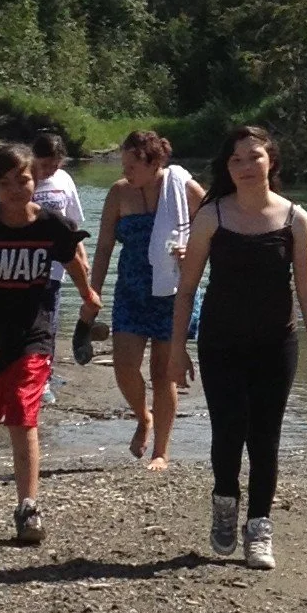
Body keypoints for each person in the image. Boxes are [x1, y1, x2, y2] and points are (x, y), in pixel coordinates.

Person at [171, 125, 307, 570]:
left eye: (254, 157)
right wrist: (176, 348)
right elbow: (186, 291)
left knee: (265, 439)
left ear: (271, 161)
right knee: (228, 433)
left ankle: (259, 526)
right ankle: (225, 505)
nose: (244, 166)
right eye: (236, 160)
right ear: (227, 167)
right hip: (221, 342)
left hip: (276, 344)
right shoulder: (211, 217)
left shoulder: (295, 219)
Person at [0, 144, 90, 546]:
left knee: (23, 416)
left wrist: (89, 295)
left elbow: (72, 255)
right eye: (4, 183)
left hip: (32, 333)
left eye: (22, 180)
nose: (15, 189)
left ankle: (28, 507)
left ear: (36, 179)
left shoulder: (51, 224)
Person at [86, 130, 205, 471]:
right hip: (131, 290)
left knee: (162, 374)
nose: (125, 173)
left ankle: (161, 452)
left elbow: (216, 230)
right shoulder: (119, 193)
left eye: (132, 166)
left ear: (155, 163)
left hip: (172, 293)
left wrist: (192, 250)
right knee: (124, 365)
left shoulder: (184, 189)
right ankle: (143, 416)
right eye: (123, 165)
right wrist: (92, 292)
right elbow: (105, 245)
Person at [27, 129, 101, 381]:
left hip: (57, 265)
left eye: (55, 165)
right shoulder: (21, 179)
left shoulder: (64, 180)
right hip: (23, 264)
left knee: (49, 320)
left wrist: (82, 257)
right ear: (33, 157)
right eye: (45, 164)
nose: (49, 170)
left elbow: (73, 224)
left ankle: (45, 375)